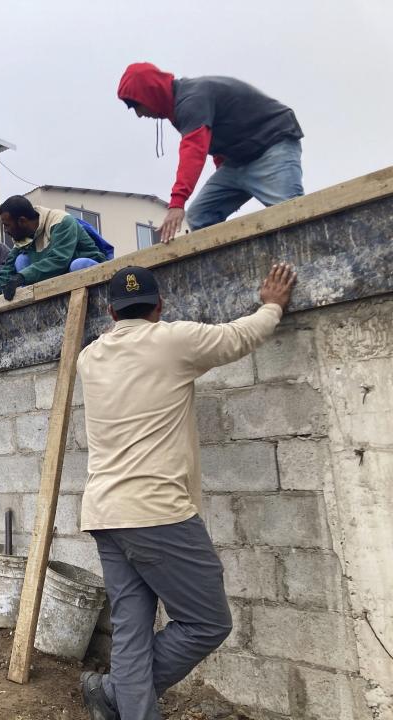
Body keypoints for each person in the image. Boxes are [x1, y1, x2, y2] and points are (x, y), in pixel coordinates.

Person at [76, 263, 297, 720]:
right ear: (159, 306)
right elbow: (238, 336)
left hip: (105, 514)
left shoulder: (89, 357)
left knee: (132, 633)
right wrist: (273, 305)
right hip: (158, 513)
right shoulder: (172, 341)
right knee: (207, 622)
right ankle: (118, 693)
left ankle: (120, 696)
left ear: (111, 313)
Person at [117, 63, 304, 242]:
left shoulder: (191, 99)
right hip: (236, 162)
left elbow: (194, 150)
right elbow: (217, 137)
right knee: (199, 219)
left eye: (137, 106)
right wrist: (223, 178)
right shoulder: (180, 107)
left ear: (150, 95)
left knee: (292, 214)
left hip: (272, 144)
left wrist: (177, 203)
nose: (139, 115)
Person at [0, 197, 107, 313]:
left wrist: (22, 277)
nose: (5, 230)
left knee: (78, 265)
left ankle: (94, 307)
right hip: (58, 280)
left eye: (7, 225)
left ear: (22, 221)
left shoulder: (61, 222)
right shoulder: (22, 239)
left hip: (88, 273)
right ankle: (43, 310)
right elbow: (5, 276)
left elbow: (59, 261)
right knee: (21, 261)